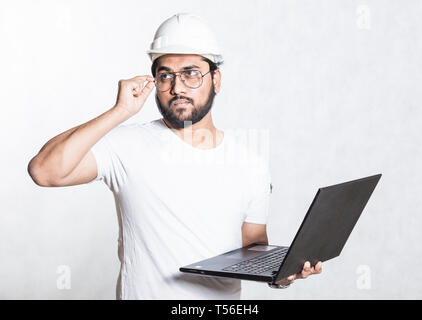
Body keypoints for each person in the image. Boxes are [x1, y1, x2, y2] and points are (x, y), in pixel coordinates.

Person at [27, 13, 321, 299]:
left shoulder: (251, 165)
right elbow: (44, 171)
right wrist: (120, 112)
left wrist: (284, 271)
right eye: (165, 75)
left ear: (215, 79)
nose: (177, 87)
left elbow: (252, 247)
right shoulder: (125, 145)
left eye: (191, 73)